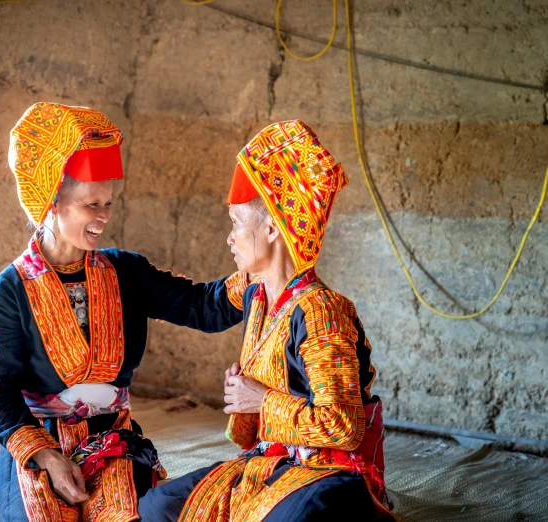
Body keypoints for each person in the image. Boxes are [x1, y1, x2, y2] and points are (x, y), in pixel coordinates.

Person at [0, 102, 249, 522]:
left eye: (108, 203)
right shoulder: (9, 291)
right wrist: (48, 458)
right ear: (52, 204)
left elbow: (202, 307)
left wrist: (260, 273)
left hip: (112, 440)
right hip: (38, 443)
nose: (103, 216)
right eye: (91, 204)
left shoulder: (125, 272)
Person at [138, 120, 396, 522]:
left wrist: (260, 400)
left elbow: (344, 427)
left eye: (237, 223)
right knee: (158, 507)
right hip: (270, 462)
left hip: (330, 470)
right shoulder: (254, 292)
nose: (230, 237)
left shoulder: (321, 312)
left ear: (273, 227)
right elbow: (201, 303)